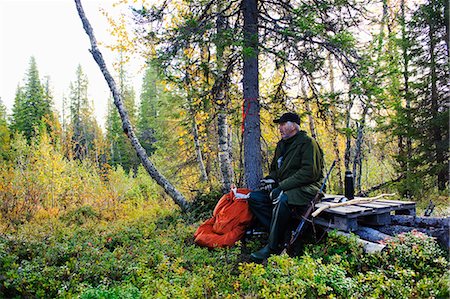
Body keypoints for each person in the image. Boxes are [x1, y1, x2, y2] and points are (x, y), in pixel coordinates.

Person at [248, 112, 324, 262]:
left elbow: (309, 173)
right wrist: (270, 180)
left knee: (282, 199)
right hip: (287, 186)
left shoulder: (308, 143)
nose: (280, 128)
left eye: (283, 124)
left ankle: (272, 246)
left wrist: (281, 186)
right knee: (254, 198)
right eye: (279, 125)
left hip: (309, 187)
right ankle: (282, 233)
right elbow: (276, 170)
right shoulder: (281, 145)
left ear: (293, 126)